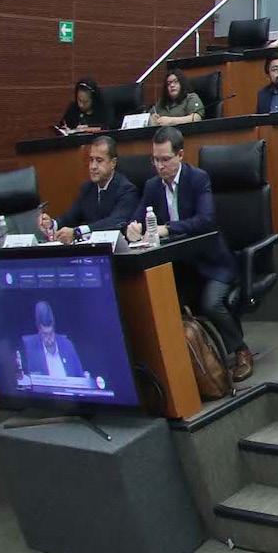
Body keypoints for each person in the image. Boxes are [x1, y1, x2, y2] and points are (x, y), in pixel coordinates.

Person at [126, 127, 252, 382]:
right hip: (180, 267)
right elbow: (137, 218)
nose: (159, 166)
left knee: (211, 303)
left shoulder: (198, 179)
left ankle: (241, 350)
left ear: (180, 155)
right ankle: (185, 365)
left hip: (213, 263)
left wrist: (167, 228)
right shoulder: (152, 186)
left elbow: (205, 220)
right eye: (155, 159)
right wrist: (133, 228)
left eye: (165, 159)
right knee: (161, 304)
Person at [39, 136, 138, 243]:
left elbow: (115, 222)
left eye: (99, 160)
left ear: (113, 163)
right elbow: (70, 217)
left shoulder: (126, 190)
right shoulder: (87, 188)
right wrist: (52, 224)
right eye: (91, 160)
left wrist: (78, 232)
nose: (93, 166)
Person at [21, 301, 84, 379]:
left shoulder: (67, 345)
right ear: (39, 331)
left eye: (51, 334)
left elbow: (80, 377)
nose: (49, 339)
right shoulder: (29, 348)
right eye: (45, 334)